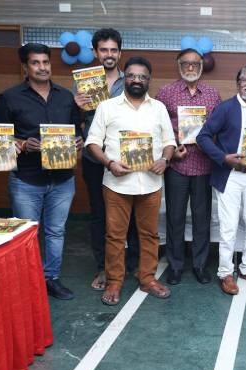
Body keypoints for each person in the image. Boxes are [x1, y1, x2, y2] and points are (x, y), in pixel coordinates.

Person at [86, 56, 177, 306]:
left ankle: (147, 278)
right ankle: (115, 281)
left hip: (151, 182)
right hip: (116, 183)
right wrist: (109, 164)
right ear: (124, 78)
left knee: (149, 234)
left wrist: (165, 160)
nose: (137, 80)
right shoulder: (107, 107)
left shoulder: (158, 108)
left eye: (142, 76)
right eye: (132, 76)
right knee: (115, 236)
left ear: (149, 80)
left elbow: (169, 142)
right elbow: (93, 142)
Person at [0, 43, 82, 300]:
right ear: (25, 67)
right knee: (27, 234)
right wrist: (22, 144)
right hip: (26, 179)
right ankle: (27, 283)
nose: (42, 67)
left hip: (62, 179)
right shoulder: (9, 97)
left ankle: (51, 278)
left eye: (45, 62)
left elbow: (77, 130)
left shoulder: (65, 96)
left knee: (56, 232)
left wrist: (79, 141)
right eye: (35, 63)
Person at [74, 28, 139, 291]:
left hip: (124, 159)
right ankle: (103, 266)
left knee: (129, 212)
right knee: (99, 214)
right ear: (95, 52)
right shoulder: (82, 82)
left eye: (113, 50)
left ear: (119, 53)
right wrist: (76, 108)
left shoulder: (131, 80)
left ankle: (132, 264)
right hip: (94, 159)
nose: (109, 54)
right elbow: (73, 123)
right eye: (103, 50)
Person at [196, 65, 246, 294]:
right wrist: (223, 158)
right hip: (230, 176)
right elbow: (203, 136)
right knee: (228, 228)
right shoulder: (226, 108)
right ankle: (226, 273)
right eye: (245, 80)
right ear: (238, 83)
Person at [156, 48, 221, 285]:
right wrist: (171, 151)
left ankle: (200, 265)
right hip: (177, 165)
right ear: (179, 65)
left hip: (203, 165)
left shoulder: (213, 95)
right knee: (175, 217)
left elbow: (219, 129)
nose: (191, 67)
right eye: (186, 63)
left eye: (195, 63)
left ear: (202, 66)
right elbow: (157, 127)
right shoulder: (165, 93)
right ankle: (175, 265)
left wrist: (210, 145)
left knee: (202, 218)